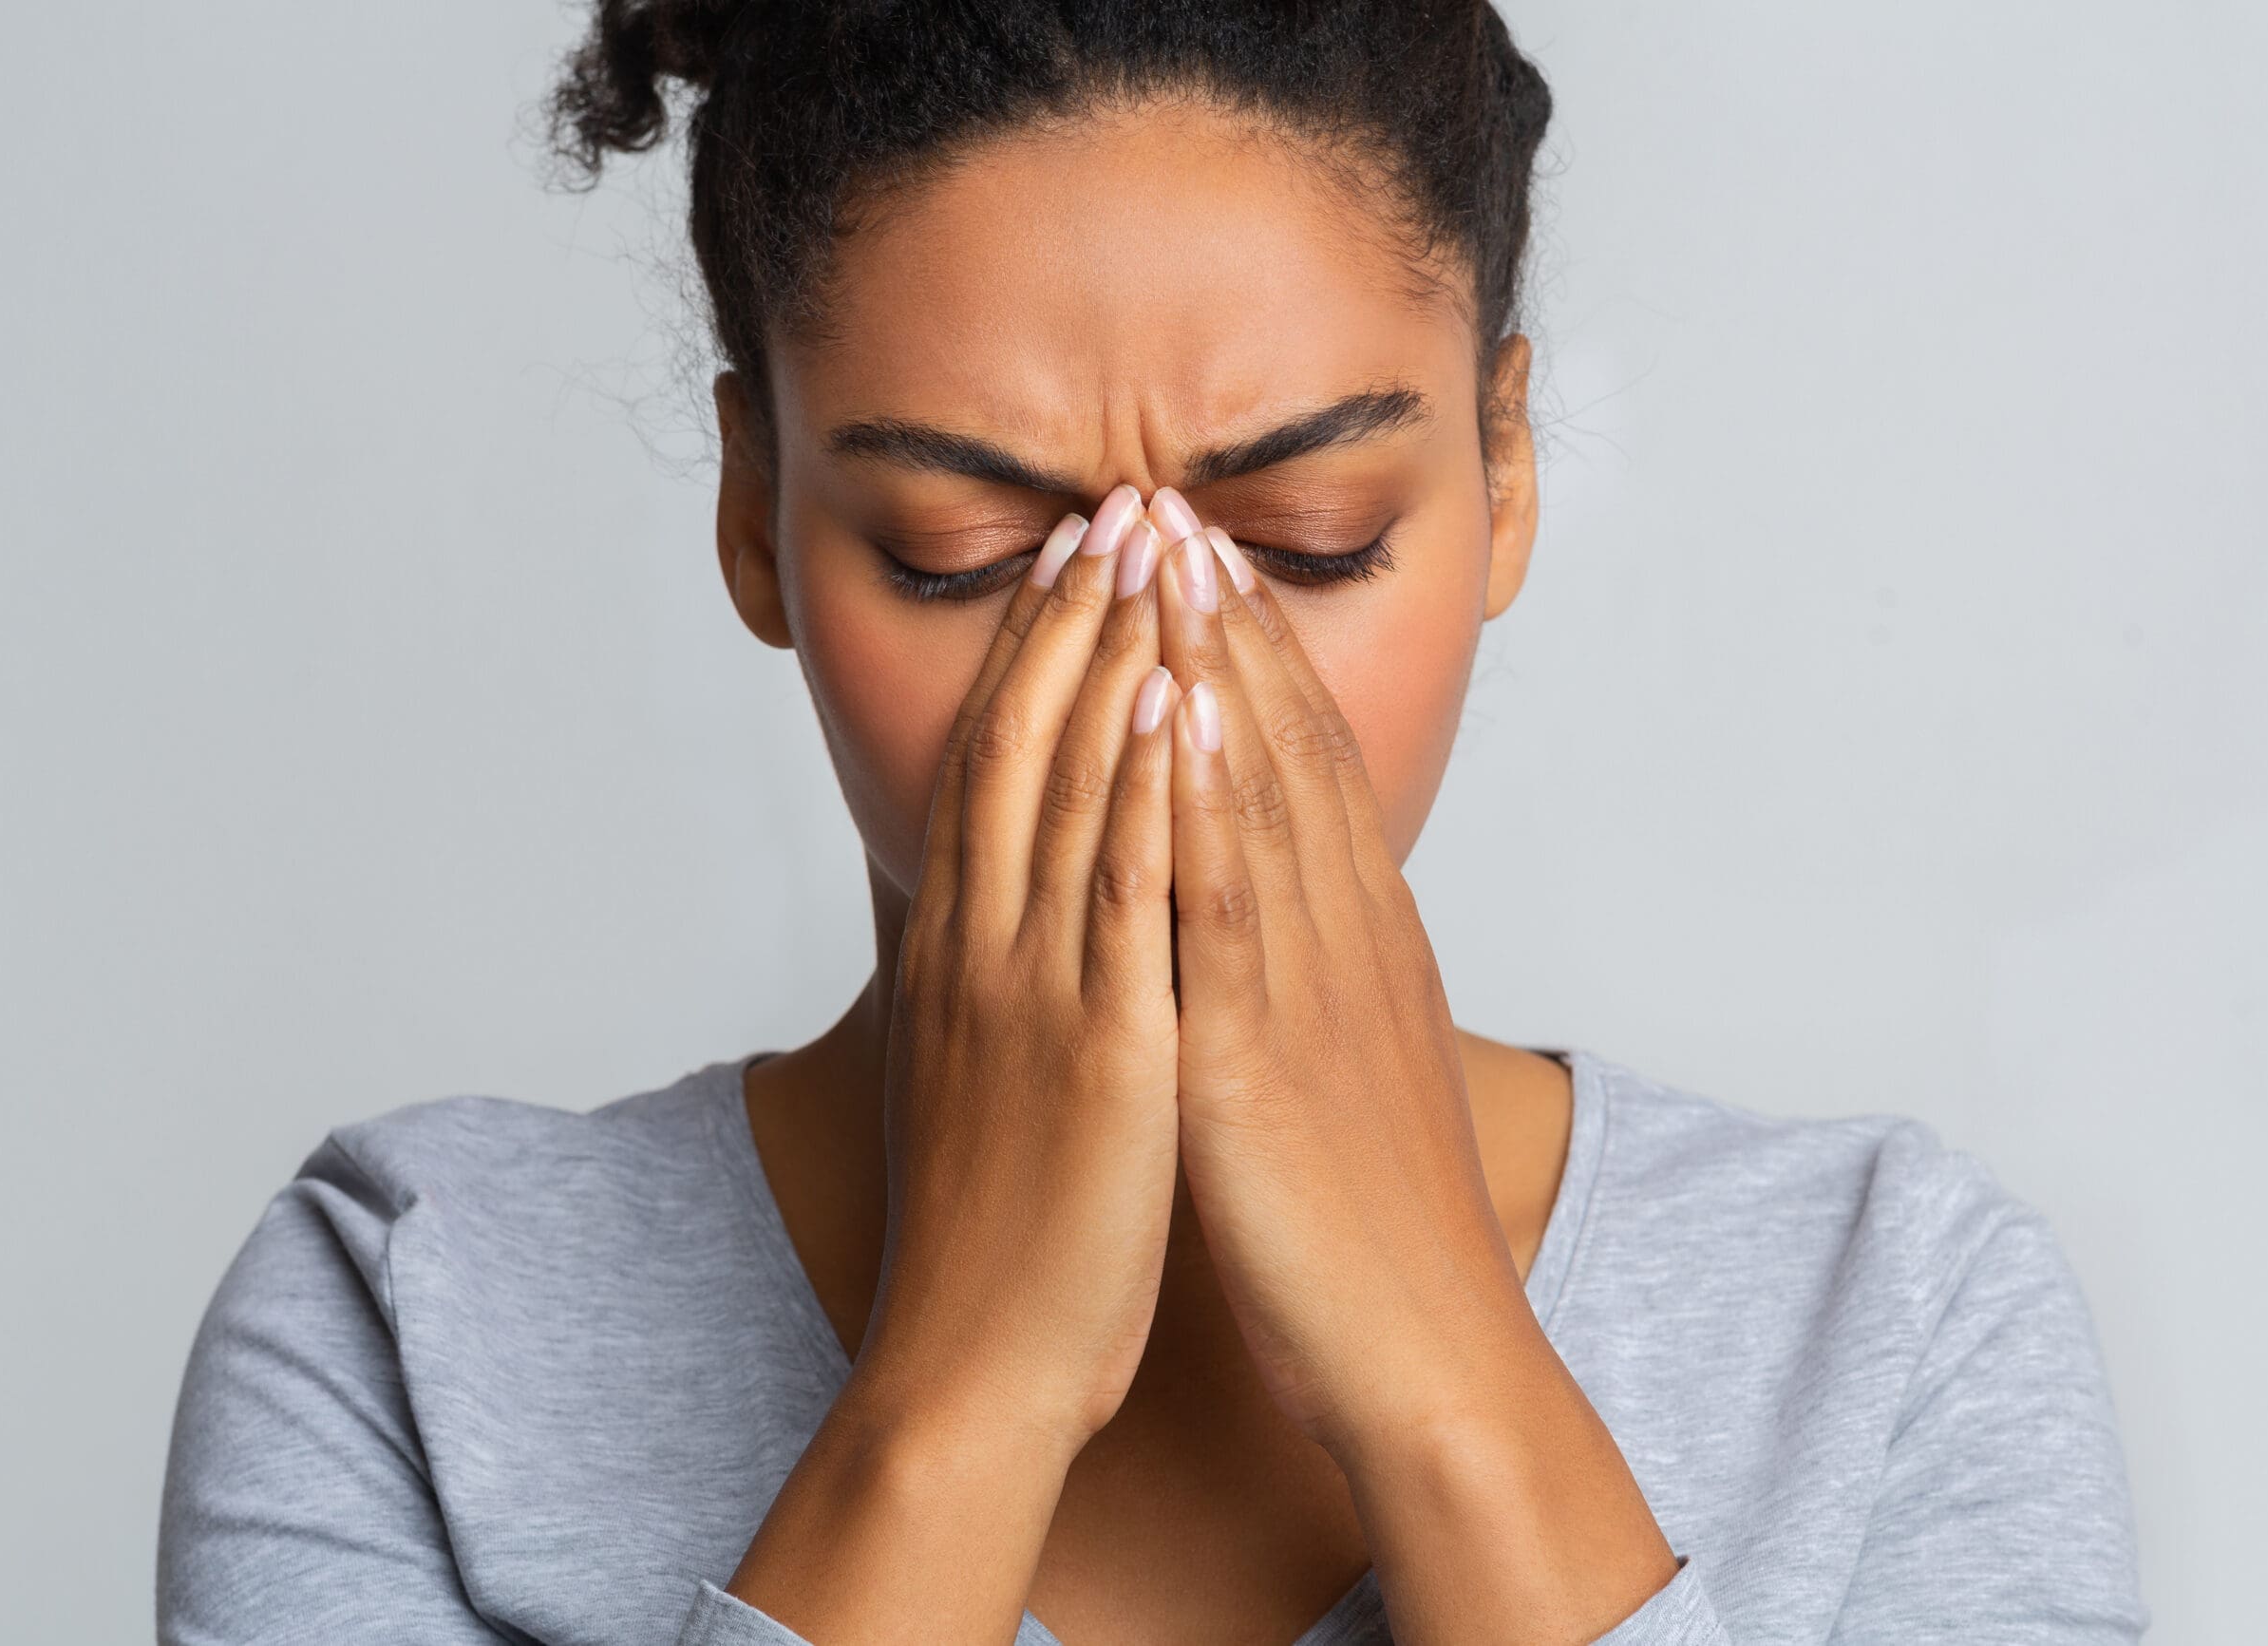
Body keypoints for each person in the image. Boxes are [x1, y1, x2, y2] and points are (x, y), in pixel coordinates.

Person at [155, 4, 2148, 1642]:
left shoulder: (1893, 1331)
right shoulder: (416, 1323)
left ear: (1503, 478)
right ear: (755, 513)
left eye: (1307, 540)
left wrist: (1448, 1390)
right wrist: (962, 1398)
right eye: (957, 554)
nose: (1159, 683)